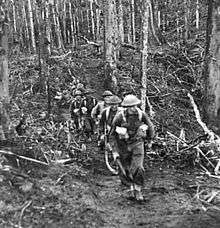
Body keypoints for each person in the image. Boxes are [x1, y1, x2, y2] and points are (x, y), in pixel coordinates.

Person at [109, 94, 155, 201]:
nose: (134, 108)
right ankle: (130, 188)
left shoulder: (141, 114)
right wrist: (114, 151)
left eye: (135, 105)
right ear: (126, 107)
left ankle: (138, 190)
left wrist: (150, 140)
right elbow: (112, 135)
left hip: (137, 143)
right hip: (123, 145)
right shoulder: (119, 116)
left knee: (138, 167)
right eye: (131, 106)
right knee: (125, 168)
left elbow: (150, 127)